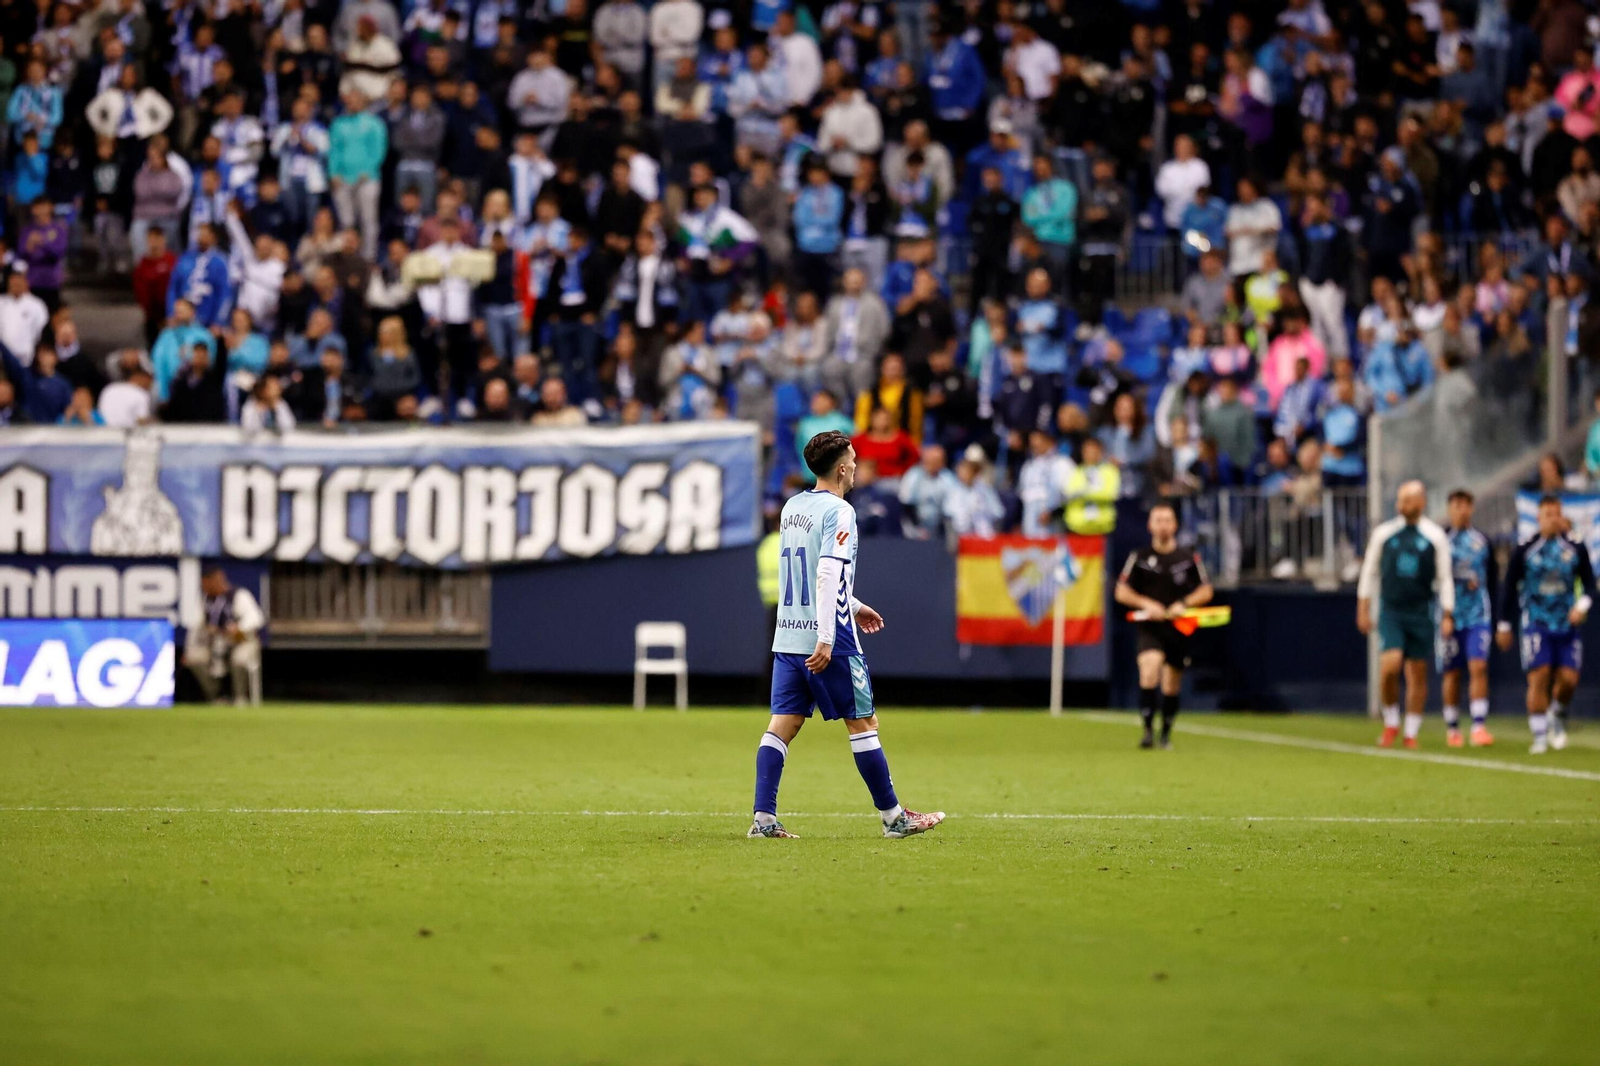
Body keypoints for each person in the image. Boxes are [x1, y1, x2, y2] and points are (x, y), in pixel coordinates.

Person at [752, 429, 944, 840]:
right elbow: (824, 573)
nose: (856, 466)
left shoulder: (792, 507)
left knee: (782, 725)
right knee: (864, 723)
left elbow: (803, 575)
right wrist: (827, 636)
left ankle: (763, 820)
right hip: (830, 639)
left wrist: (854, 605)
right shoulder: (839, 512)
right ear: (842, 468)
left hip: (788, 636)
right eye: (853, 460)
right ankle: (895, 818)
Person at [1357, 481, 1455, 750]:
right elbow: (1369, 571)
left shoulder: (1434, 536)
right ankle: (1391, 721)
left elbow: (1445, 578)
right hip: (1391, 610)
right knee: (1390, 666)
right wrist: (1363, 607)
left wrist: (1447, 612)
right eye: (1400, 499)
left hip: (1421, 611)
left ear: (1421, 502)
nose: (1402, 505)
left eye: (1408, 500)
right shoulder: (1384, 534)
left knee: (1417, 673)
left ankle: (1411, 730)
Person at [1498, 495, 1597, 753]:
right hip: (1536, 622)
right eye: (1547, 514)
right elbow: (1509, 588)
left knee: (1569, 680)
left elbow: (1590, 585)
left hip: (1567, 624)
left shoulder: (1575, 548)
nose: (1553, 519)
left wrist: (1581, 606)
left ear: (1562, 516)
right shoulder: (1525, 549)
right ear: (1539, 518)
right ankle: (1540, 736)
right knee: (1539, 676)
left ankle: (1558, 713)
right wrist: (1504, 625)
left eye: (1556, 514)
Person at [1113, 502, 1215, 749]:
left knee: (1172, 682)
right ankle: (1147, 731)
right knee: (1149, 669)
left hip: (1178, 627)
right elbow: (1121, 592)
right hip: (1150, 626)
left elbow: (1206, 590)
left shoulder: (1188, 558)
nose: (1163, 525)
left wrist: (1183, 603)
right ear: (1150, 525)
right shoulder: (1139, 557)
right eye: (1158, 520)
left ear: (1175, 525)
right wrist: (1146, 604)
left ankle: (1166, 733)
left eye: (1167, 520)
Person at [1438, 490, 1497, 748]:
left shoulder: (1482, 541)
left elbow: (1493, 579)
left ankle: (1478, 726)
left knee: (1478, 667)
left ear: (1472, 509)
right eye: (1456, 505)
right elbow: (1435, 581)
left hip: (1478, 615)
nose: (1461, 510)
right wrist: (1444, 614)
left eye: (1465, 506)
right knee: (1452, 673)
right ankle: (1452, 728)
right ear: (1449, 509)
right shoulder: (1440, 542)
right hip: (1449, 616)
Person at [183, 568, 265, 704]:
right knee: (194, 658)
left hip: (240, 641)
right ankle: (216, 697)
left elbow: (256, 618)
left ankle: (240, 697)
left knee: (240, 659)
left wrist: (239, 627)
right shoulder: (205, 599)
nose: (204, 587)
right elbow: (195, 627)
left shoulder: (238, 595)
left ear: (217, 579)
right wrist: (188, 649)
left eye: (207, 583)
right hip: (215, 643)